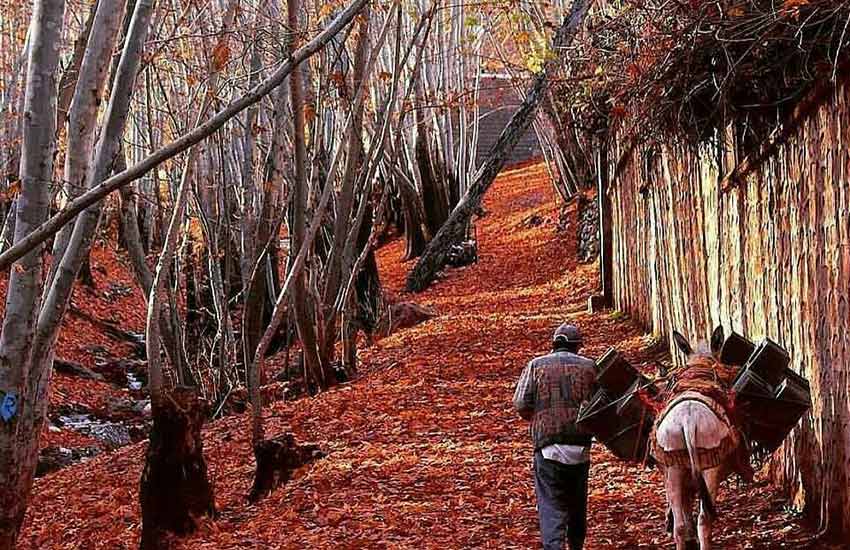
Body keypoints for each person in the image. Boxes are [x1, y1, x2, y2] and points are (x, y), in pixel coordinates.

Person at [513, 323, 597, 550]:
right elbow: (601, 404)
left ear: (554, 344)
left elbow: (521, 403)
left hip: (547, 447)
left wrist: (538, 416)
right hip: (580, 448)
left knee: (551, 506)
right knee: (577, 503)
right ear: (577, 346)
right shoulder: (590, 366)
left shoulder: (536, 365)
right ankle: (576, 545)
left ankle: (555, 546)